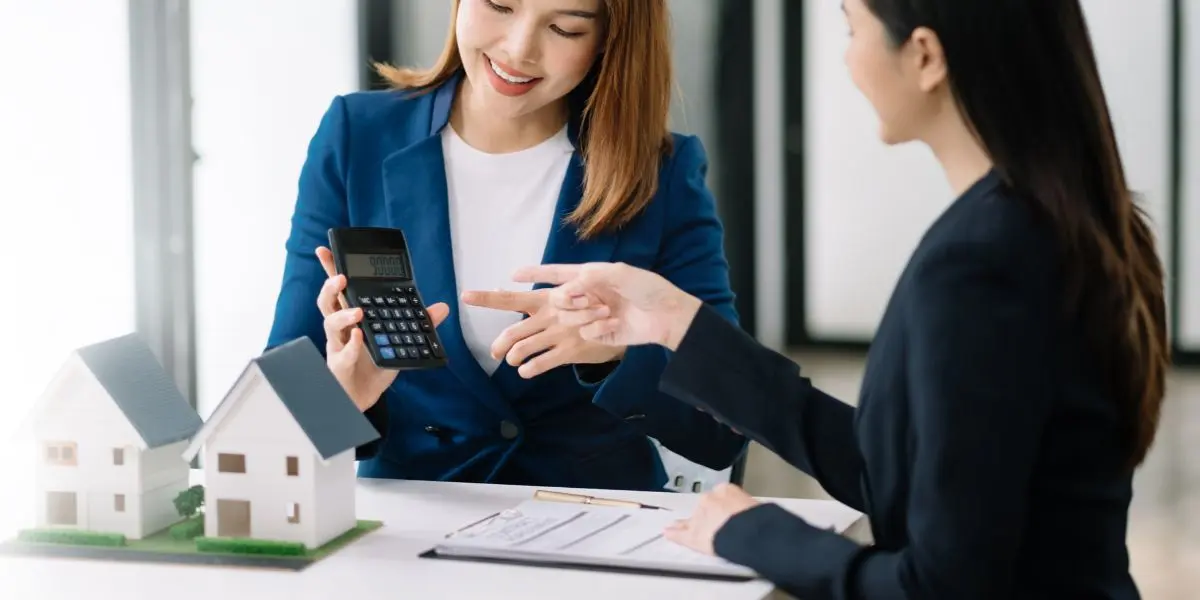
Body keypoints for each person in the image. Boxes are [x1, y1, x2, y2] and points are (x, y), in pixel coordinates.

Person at [514, 0, 1169, 597]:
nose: (848, 55)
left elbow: (941, 584)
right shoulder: (1043, 225)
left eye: (851, 27)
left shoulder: (981, 263)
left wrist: (758, 535)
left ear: (924, 56)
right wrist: (679, 324)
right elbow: (899, 477)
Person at [265, 0, 745, 492]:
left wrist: (615, 353)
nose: (518, 50)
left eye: (564, 28)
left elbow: (724, 426)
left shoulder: (660, 171)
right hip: (412, 529)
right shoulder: (358, 134)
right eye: (499, 5)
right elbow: (280, 412)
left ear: (610, 40)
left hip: (596, 528)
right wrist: (343, 398)